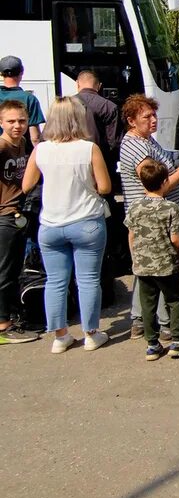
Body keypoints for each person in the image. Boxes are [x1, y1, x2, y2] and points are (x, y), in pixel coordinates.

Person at [21, 97, 112, 352]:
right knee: (88, 280)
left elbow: (26, 185)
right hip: (86, 221)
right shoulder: (88, 148)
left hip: (50, 224)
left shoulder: (41, 149)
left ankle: (60, 336)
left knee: (56, 281)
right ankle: (91, 333)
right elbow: (105, 187)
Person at [120, 94, 179, 339]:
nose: (153, 120)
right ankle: (165, 325)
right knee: (159, 269)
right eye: (146, 116)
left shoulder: (147, 140)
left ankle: (139, 321)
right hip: (151, 218)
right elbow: (151, 183)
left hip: (153, 215)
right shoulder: (136, 146)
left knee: (145, 269)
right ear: (131, 121)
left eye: (154, 115)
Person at [125, 160, 179, 361]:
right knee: (176, 300)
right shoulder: (170, 208)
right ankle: (177, 340)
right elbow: (175, 238)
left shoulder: (135, 207)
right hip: (165, 264)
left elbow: (131, 234)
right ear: (165, 182)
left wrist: (135, 257)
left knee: (148, 303)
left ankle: (152, 344)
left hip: (142, 264)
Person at [0, 101, 36, 344]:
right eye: (11, 121)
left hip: (18, 213)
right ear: (1, 122)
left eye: (21, 121)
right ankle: (3, 325)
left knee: (14, 269)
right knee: (4, 271)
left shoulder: (24, 143)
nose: (17, 126)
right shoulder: (2, 147)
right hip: (3, 216)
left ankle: (12, 316)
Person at [73, 70, 120, 170]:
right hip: (101, 162)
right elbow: (114, 142)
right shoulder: (109, 107)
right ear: (99, 86)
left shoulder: (64, 106)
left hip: (71, 161)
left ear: (77, 83)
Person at [0, 56, 44, 144]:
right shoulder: (29, 98)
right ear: (22, 72)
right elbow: (35, 137)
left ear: (1, 74)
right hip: (23, 153)